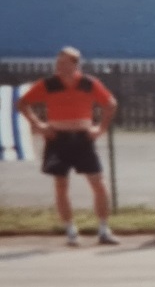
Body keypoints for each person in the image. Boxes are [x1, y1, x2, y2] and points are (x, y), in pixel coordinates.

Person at [18, 46, 118, 246]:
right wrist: (38, 125)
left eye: (64, 63)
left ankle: (104, 229)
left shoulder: (88, 83)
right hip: (58, 139)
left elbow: (110, 103)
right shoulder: (48, 84)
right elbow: (22, 103)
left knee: (97, 182)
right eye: (58, 63)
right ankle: (71, 231)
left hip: (83, 138)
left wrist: (101, 128)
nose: (59, 67)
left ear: (75, 65)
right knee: (61, 184)